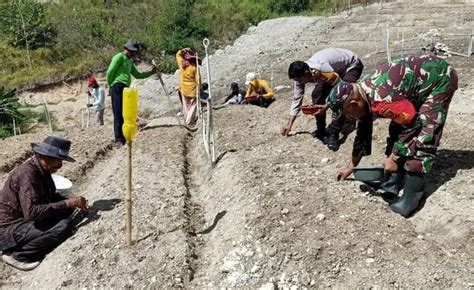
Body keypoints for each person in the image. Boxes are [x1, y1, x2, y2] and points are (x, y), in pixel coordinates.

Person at [323, 54, 458, 217]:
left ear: (353, 104)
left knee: (425, 136)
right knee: (396, 129)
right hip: (414, 87)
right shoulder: (361, 96)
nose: (349, 117)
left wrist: (393, 158)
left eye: (347, 113)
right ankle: (393, 181)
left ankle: (411, 198)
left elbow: (413, 125)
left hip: (439, 79)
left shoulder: (382, 99)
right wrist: (351, 168)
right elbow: (362, 135)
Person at [0, 136, 88, 271]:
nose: (60, 164)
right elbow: (32, 212)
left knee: (68, 210)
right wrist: (67, 203)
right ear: (45, 157)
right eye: (58, 160)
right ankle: (18, 255)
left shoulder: (42, 170)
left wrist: (71, 202)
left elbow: (51, 197)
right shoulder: (28, 175)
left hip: (24, 221)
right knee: (64, 226)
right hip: (9, 231)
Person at [281, 48, 364, 151]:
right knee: (317, 95)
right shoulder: (300, 75)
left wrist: (327, 105)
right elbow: (297, 98)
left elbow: (341, 90)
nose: (298, 82)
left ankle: (334, 132)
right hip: (335, 70)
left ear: (306, 73)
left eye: (299, 80)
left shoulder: (321, 69)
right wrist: (290, 124)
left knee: (343, 99)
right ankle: (321, 130)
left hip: (351, 66)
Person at [107, 39, 157, 147]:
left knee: (126, 113)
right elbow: (110, 72)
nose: (134, 54)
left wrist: (150, 73)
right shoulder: (119, 57)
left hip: (126, 88)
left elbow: (138, 75)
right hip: (117, 86)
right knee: (118, 113)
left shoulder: (129, 61)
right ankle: (118, 139)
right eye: (133, 52)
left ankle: (126, 136)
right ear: (128, 50)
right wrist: (110, 85)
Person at [176, 47, 201, 126]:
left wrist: (182, 50)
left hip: (184, 88)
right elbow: (198, 78)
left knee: (186, 106)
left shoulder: (182, 64)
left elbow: (177, 55)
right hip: (192, 89)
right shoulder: (194, 67)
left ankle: (189, 120)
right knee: (193, 105)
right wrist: (200, 87)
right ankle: (188, 122)